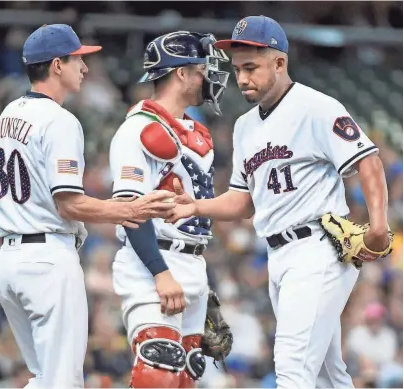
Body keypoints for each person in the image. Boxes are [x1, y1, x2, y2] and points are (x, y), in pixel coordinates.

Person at [168, 16, 393, 389]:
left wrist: (380, 226)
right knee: (325, 371)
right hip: (279, 255)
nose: (242, 79)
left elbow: (368, 162)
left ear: (279, 63)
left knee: (291, 368)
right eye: (238, 69)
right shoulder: (244, 127)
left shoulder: (316, 107)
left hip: (318, 248)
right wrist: (194, 206)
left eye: (251, 68)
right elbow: (242, 202)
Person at [0, 24, 175, 389]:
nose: (85, 67)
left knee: (44, 377)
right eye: (78, 59)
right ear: (57, 65)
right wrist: (131, 210)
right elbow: (70, 204)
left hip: (10, 260)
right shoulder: (59, 121)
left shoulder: (8, 113)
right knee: (63, 382)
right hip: (47, 261)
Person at [109, 31, 230, 388]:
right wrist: (161, 273)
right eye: (202, 68)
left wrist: (201, 285)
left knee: (184, 379)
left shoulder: (195, 132)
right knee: (157, 372)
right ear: (181, 73)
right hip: (152, 261)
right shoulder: (139, 129)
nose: (208, 75)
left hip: (192, 263)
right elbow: (130, 209)